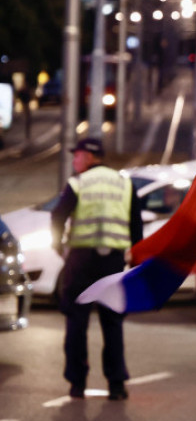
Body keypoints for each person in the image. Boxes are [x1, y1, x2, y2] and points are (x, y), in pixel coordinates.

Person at [51, 137, 142, 401]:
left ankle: (77, 384)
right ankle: (116, 385)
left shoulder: (78, 183)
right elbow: (135, 224)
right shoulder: (125, 184)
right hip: (113, 263)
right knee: (112, 323)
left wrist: (59, 246)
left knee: (76, 322)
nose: (75, 160)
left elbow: (57, 216)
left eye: (77, 155)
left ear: (89, 157)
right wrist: (135, 256)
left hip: (81, 261)